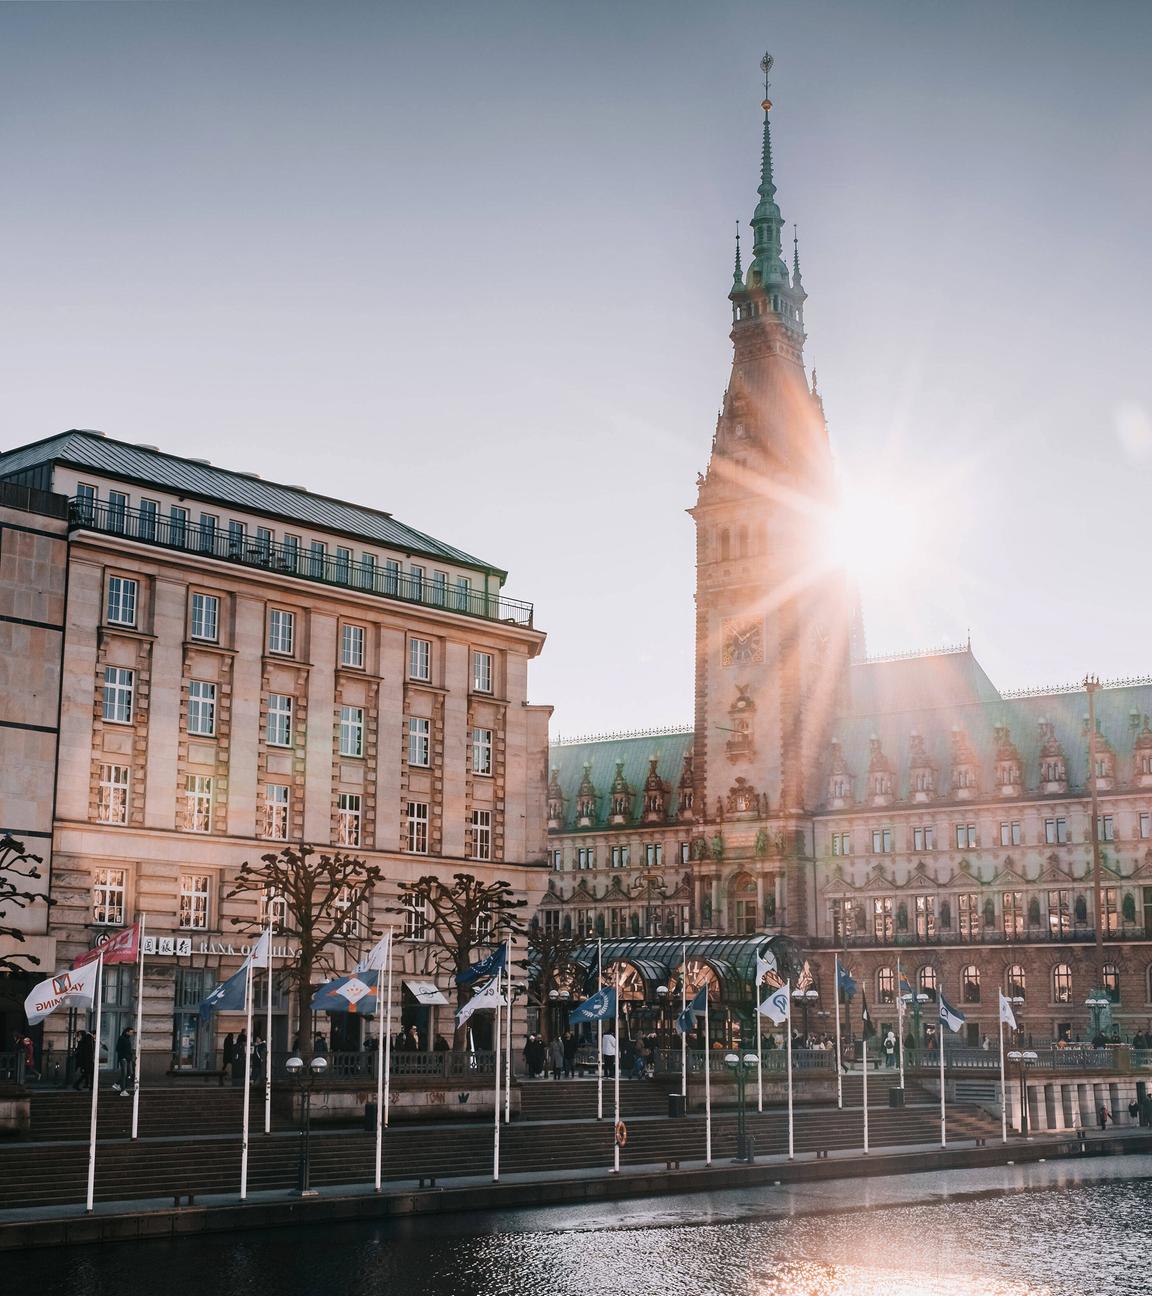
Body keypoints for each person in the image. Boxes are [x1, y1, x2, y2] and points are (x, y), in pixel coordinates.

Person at [113, 1026, 135, 1095]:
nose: (132, 1034)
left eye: (132, 1032)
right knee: (124, 1074)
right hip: (124, 1059)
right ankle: (123, 1090)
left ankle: (117, 1084)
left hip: (128, 1059)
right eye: (131, 1032)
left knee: (129, 1073)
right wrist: (123, 1057)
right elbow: (118, 1049)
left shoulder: (127, 1039)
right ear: (127, 1032)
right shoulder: (122, 1038)